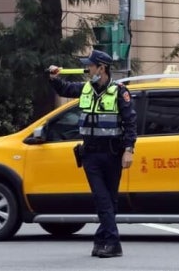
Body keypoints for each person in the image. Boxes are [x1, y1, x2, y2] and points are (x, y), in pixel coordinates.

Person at [48, 50, 137, 258]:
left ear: (101, 68)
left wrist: (129, 150)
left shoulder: (119, 91)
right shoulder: (86, 88)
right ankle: (113, 243)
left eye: (91, 66)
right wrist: (54, 78)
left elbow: (130, 123)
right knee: (101, 197)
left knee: (109, 200)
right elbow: (65, 88)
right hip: (90, 155)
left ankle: (102, 240)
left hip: (113, 154)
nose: (88, 70)